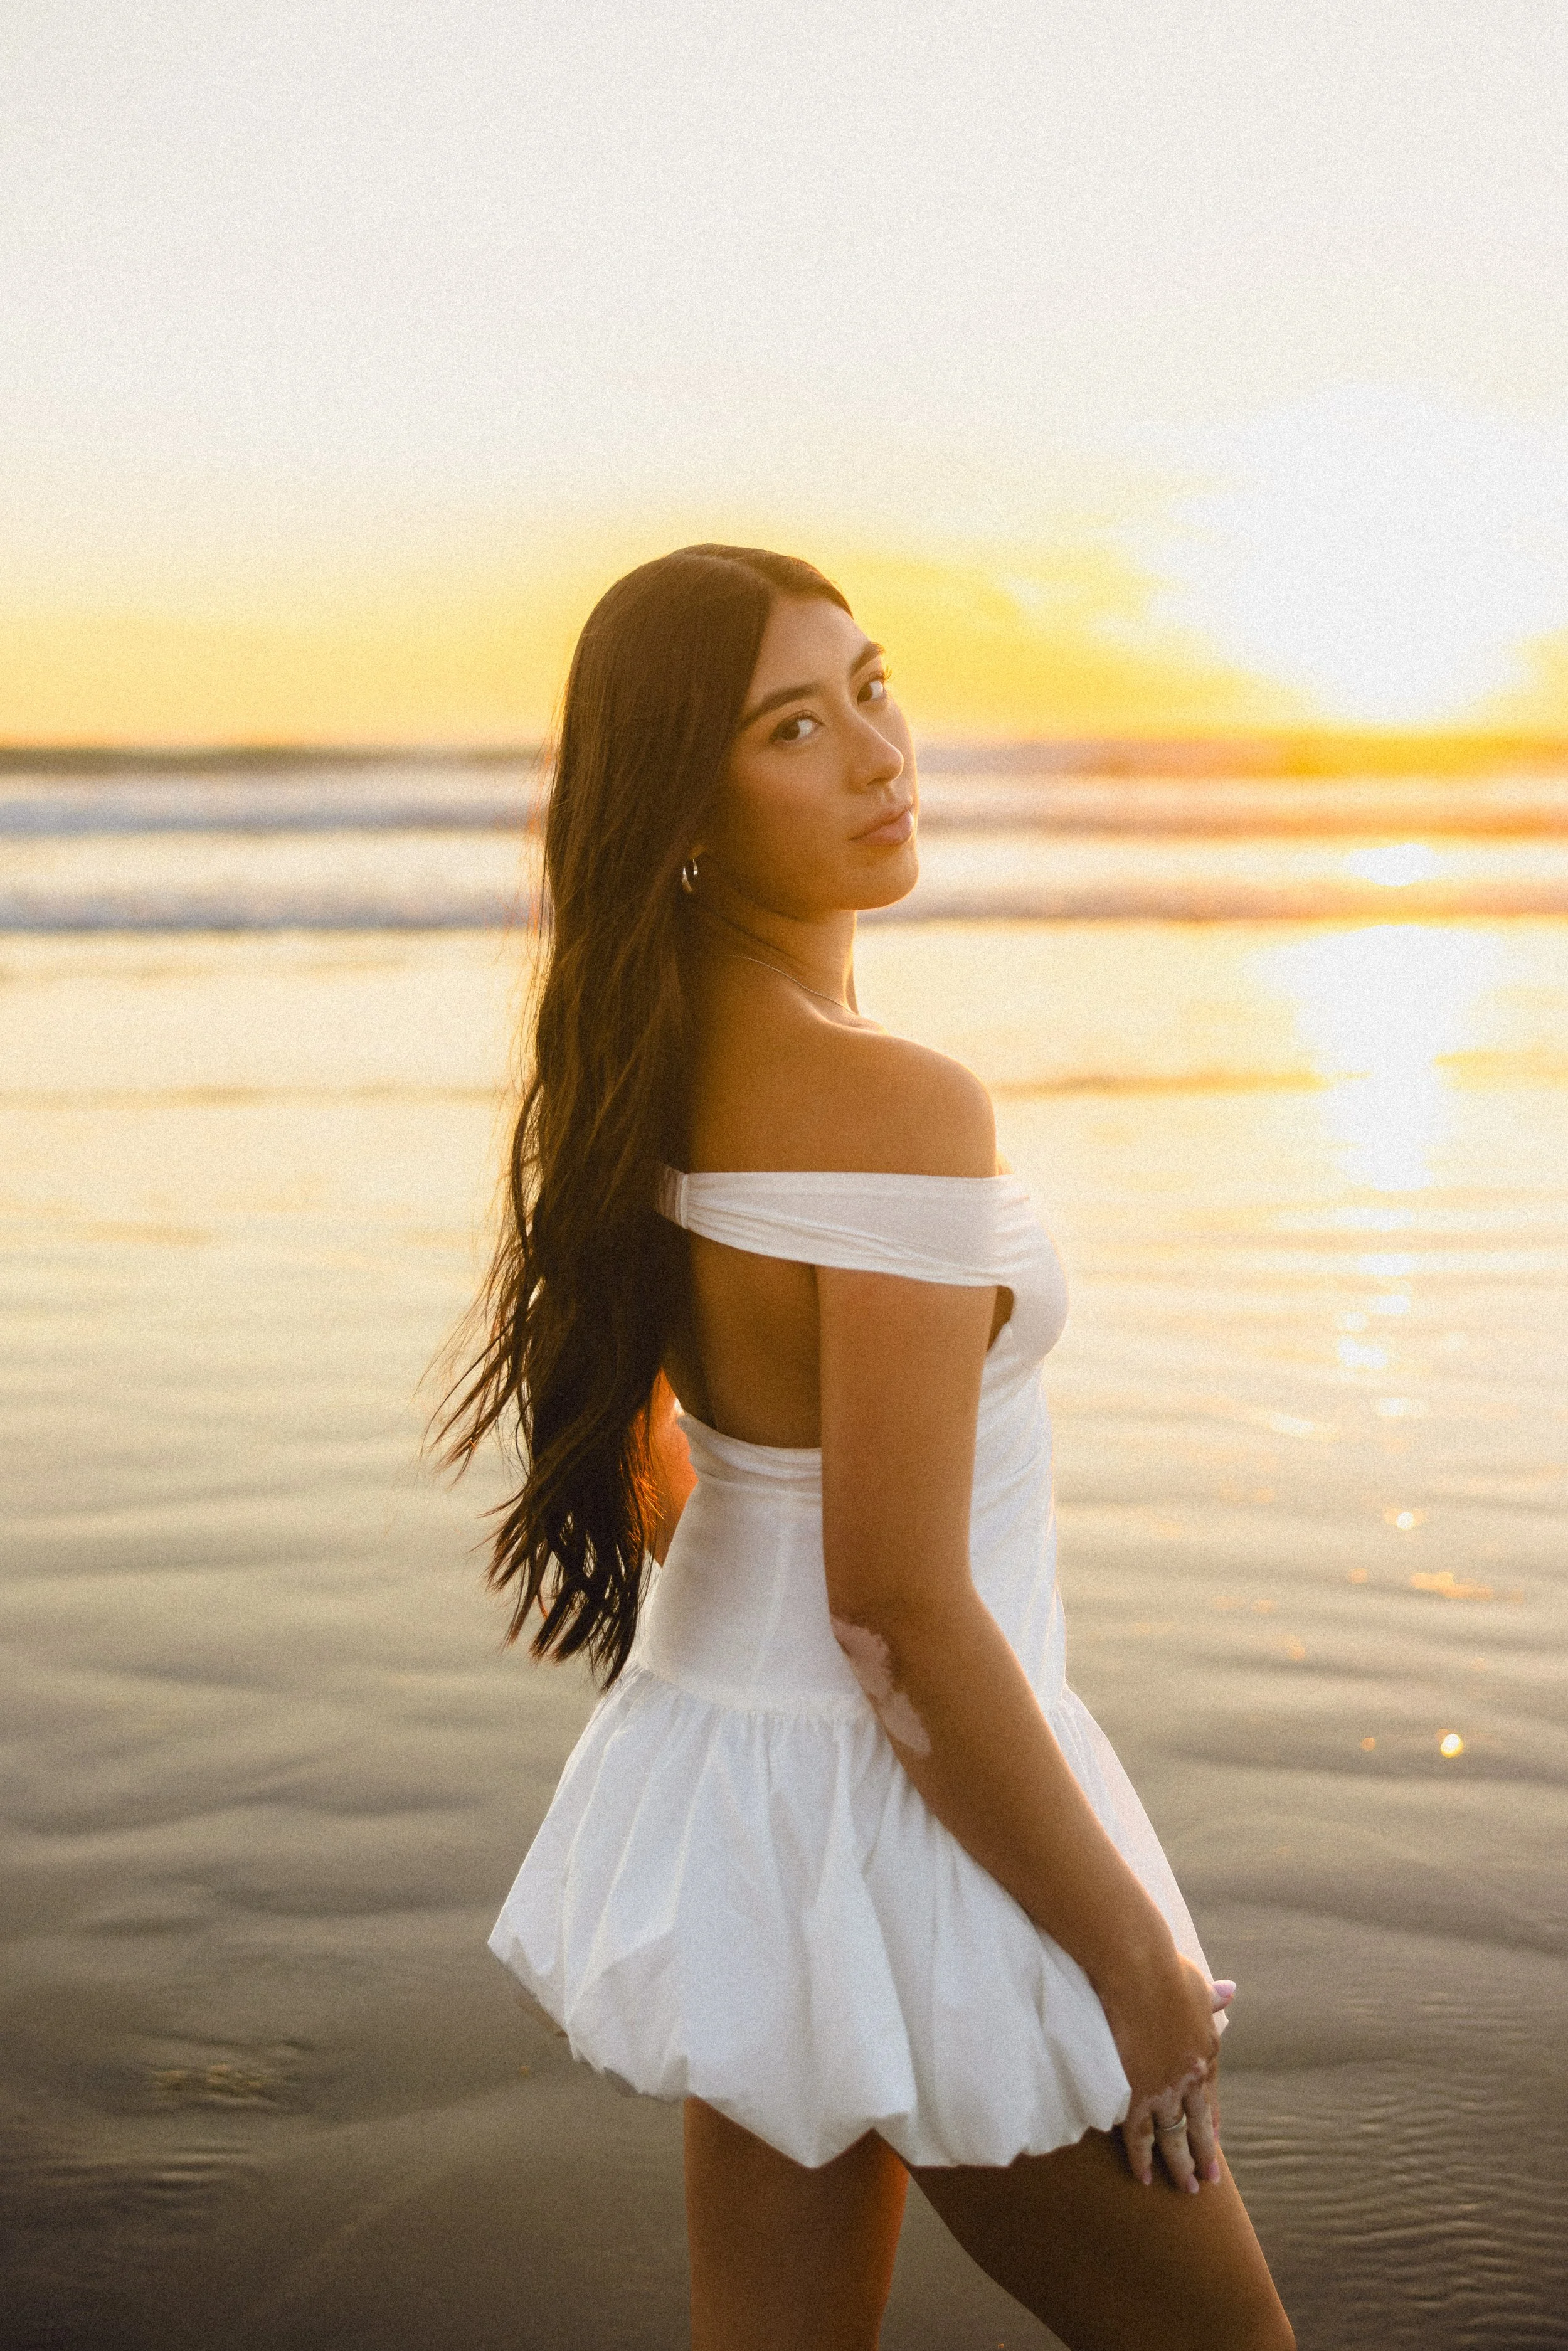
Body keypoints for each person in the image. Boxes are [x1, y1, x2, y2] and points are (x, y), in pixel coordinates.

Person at [440, 544, 1295, 2350]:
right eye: (792, 727)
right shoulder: (896, 1102)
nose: (876, 753)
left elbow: (675, 1467)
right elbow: (896, 1599)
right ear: (686, 797)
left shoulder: (639, 1063)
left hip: (743, 1785)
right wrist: (1138, 1970)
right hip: (912, 1814)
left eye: (873, 688)